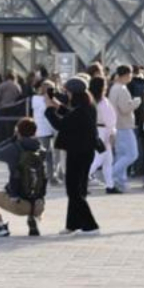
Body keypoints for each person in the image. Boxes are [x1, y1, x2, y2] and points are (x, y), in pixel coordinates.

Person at [45, 77, 99, 235]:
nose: (65, 94)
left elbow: (61, 124)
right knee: (77, 189)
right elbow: (70, 115)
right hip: (84, 151)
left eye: (66, 91)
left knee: (74, 191)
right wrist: (57, 104)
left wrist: (49, 109)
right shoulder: (87, 105)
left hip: (78, 152)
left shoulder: (81, 110)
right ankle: (72, 224)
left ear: (73, 93)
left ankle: (91, 225)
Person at [0, 117, 46, 238]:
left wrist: (12, 139)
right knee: (31, 182)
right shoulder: (41, 149)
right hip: (38, 205)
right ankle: (33, 219)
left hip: (19, 205)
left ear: (18, 131)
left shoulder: (15, 148)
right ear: (35, 132)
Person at [108, 67, 138, 192]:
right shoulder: (122, 89)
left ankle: (120, 180)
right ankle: (111, 174)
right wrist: (136, 102)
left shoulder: (114, 88)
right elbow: (125, 108)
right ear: (125, 75)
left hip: (116, 124)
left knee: (121, 155)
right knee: (132, 154)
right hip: (124, 125)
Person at [88, 77, 116, 194]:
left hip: (96, 129)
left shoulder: (91, 100)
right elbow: (110, 119)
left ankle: (110, 185)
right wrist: (111, 134)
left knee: (107, 160)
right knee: (100, 158)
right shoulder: (103, 102)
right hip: (104, 131)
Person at [31, 81, 59, 186]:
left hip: (49, 129)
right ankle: (47, 177)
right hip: (43, 130)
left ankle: (49, 176)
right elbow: (47, 110)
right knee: (46, 155)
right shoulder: (39, 100)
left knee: (49, 155)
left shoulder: (42, 99)